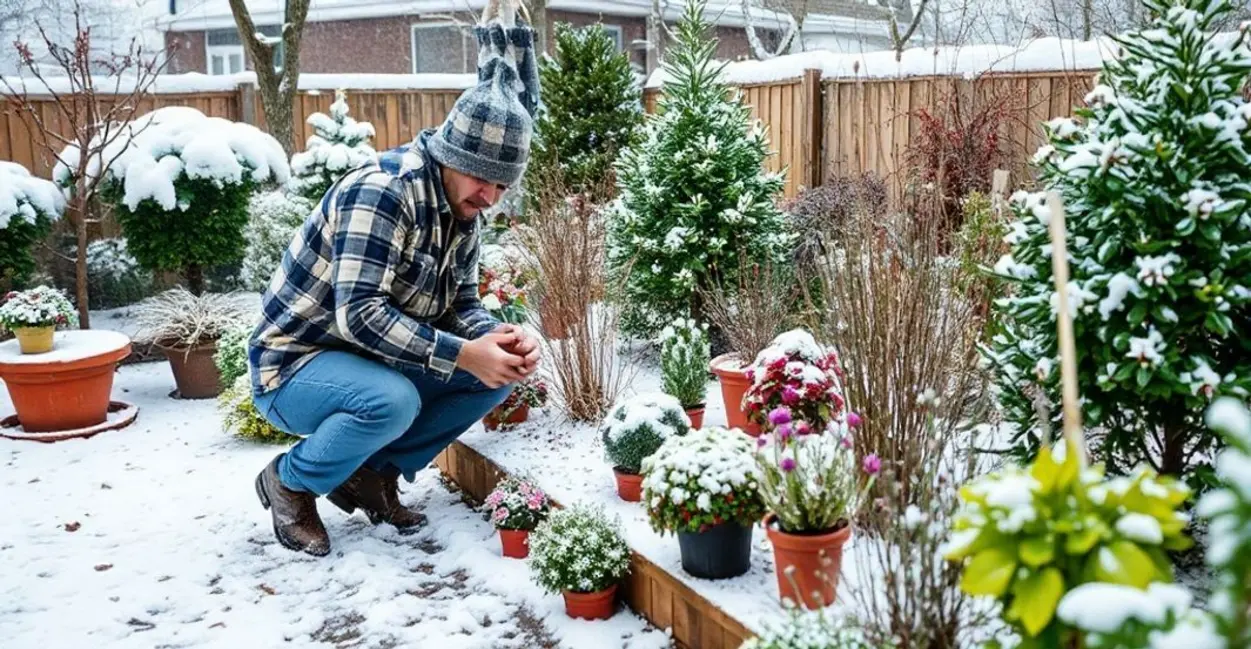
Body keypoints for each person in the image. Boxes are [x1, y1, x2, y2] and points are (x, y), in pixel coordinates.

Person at [247, 1, 541, 556]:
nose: (491, 196)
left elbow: (462, 301)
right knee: (393, 400)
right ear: (449, 155)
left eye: (503, 186)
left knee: (496, 375)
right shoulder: (384, 192)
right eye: (482, 178)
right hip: (294, 364)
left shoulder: (464, 209)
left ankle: (369, 475)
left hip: (372, 361)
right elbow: (358, 315)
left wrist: (494, 338)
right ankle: (290, 481)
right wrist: (461, 353)